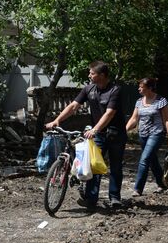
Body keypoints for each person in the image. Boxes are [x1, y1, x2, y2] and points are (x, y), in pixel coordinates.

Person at [45, 61, 126, 208]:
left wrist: (95, 129)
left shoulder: (115, 90)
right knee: (93, 165)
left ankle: (114, 198)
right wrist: (57, 120)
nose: (89, 75)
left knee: (115, 166)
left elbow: (110, 113)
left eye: (92, 73)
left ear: (102, 75)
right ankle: (90, 198)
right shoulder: (89, 89)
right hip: (98, 135)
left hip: (116, 134)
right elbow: (73, 106)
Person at [125, 77, 168, 196]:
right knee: (152, 160)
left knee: (145, 159)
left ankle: (138, 189)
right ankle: (162, 184)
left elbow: (167, 120)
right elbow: (134, 119)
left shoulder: (160, 101)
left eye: (141, 87)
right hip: (143, 134)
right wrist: (124, 130)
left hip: (156, 134)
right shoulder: (139, 102)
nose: (139, 89)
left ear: (150, 88)